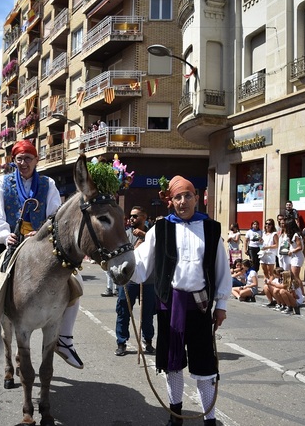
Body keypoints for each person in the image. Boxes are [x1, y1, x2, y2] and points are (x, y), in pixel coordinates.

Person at [0, 140, 84, 372]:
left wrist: (42, 231)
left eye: (28, 158)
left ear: (36, 160)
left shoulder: (48, 183)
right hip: (7, 243)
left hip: (40, 244)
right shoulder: (3, 183)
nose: (23, 163)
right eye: (19, 159)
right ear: (14, 161)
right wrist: (4, 236)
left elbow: (55, 214)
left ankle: (65, 339)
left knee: (76, 281)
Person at [132, 175, 231, 426]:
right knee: (172, 364)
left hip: (200, 307)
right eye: (178, 196)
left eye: (188, 195)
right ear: (171, 201)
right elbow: (141, 264)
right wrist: (121, 265)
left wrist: (221, 306)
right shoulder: (161, 229)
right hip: (169, 307)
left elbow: (221, 269)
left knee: (205, 366)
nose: (183, 201)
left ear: (197, 198)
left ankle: (210, 419)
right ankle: (175, 416)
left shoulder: (211, 228)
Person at [115, 206, 155, 356]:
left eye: (135, 216)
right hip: (129, 280)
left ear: (144, 217)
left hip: (148, 280)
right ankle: (121, 342)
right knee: (124, 311)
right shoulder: (124, 235)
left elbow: (160, 247)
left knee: (147, 313)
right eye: (130, 216)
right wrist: (135, 247)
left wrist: (145, 236)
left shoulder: (152, 234)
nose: (131, 219)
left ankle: (148, 341)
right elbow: (121, 256)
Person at [284, 218, 305, 297]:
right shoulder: (292, 235)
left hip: (297, 257)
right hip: (293, 257)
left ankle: (302, 294)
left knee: (296, 276)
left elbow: (300, 247)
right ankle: (298, 292)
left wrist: (292, 251)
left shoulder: (296, 235)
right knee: (293, 276)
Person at [260, 218, 278, 285]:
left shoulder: (274, 234)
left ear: (272, 225)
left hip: (270, 254)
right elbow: (262, 243)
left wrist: (267, 247)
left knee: (270, 272)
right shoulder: (264, 233)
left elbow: (276, 245)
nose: (267, 225)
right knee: (264, 272)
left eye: (269, 224)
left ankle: (270, 286)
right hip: (263, 253)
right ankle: (266, 287)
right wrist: (261, 243)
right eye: (266, 223)